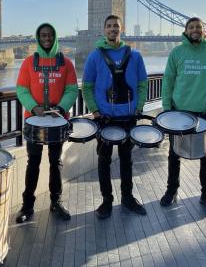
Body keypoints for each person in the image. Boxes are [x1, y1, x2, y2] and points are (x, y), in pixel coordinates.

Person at [82, 14, 148, 219]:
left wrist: (138, 108)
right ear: (104, 30)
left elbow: (142, 84)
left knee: (127, 160)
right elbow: (87, 87)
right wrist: (95, 111)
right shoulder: (95, 56)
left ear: (122, 29)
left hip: (128, 117)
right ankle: (106, 201)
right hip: (105, 119)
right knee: (104, 160)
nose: (113, 29)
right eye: (109, 26)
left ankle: (127, 198)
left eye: (116, 26)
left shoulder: (135, 56)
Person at [160, 17, 206, 214]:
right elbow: (168, 80)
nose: (195, 30)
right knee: (174, 154)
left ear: (204, 31)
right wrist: (167, 107)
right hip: (179, 112)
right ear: (186, 31)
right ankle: (171, 190)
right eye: (191, 27)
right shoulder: (177, 52)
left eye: (198, 27)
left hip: (205, 112)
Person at [15, 23, 78, 223]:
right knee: (32, 162)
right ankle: (27, 206)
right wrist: (34, 107)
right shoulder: (27, 63)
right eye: (43, 35)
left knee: (55, 162)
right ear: (38, 37)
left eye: (50, 35)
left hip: (57, 121)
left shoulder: (66, 63)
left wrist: (61, 108)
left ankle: (56, 202)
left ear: (55, 36)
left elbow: (71, 90)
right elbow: (22, 89)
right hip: (35, 121)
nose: (47, 38)